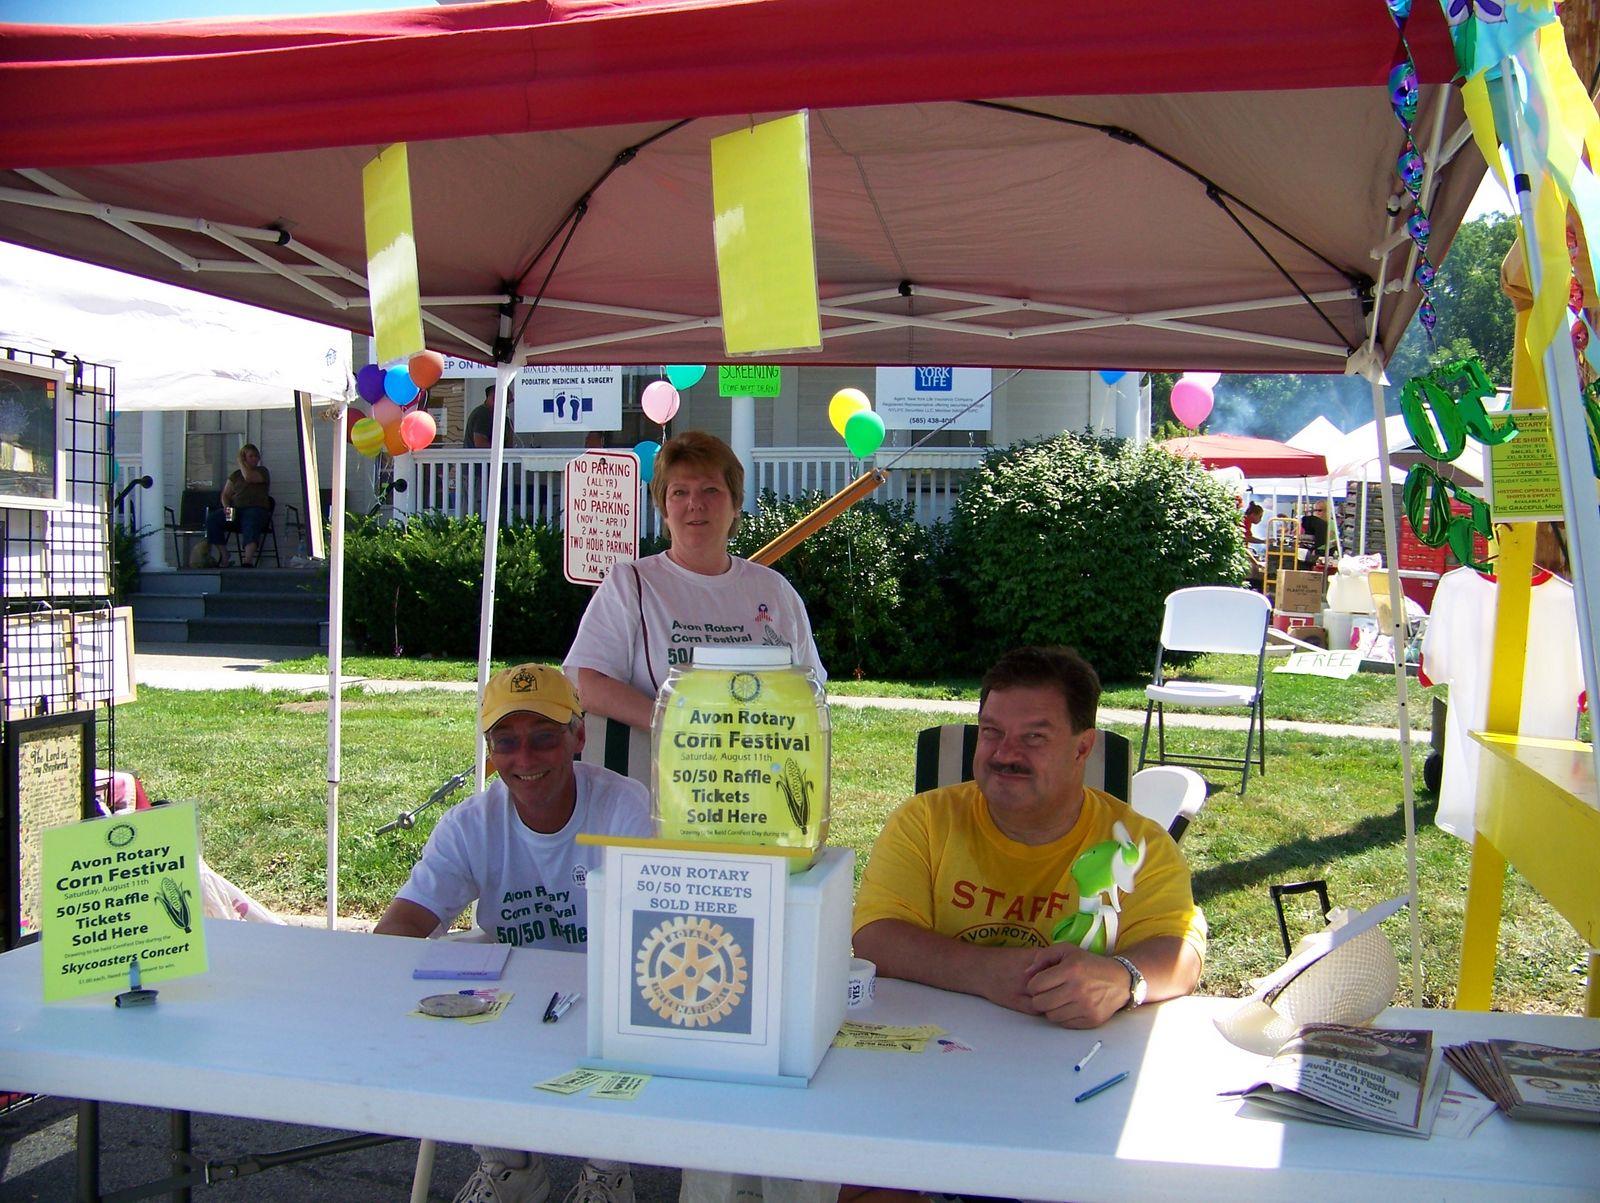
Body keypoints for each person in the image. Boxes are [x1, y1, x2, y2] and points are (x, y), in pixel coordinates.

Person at [375, 664, 652, 1203]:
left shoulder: (624, 805)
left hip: (607, 986)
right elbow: (405, 922)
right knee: (450, 1006)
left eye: (544, 738)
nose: (524, 759)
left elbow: (649, 934)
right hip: (511, 996)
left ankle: (607, 1173)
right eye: (506, 742)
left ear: (578, 737)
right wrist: (380, 973)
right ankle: (510, 1168)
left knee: (634, 1009)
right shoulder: (469, 823)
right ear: (489, 750)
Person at [853, 646, 1206, 1029]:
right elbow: (875, 936)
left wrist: (1124, 978)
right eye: (992, 732)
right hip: (938, 1040)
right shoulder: (925, 821)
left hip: (1081, 1052)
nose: (1005, 754)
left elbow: (1181, 956)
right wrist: (986, 972)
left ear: (1082, 747)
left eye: (1034, 737)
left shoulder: (1135, 845)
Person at [564, 430, 825, 729]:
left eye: (710, 490)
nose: (695, 503)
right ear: (664, 508)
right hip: (659, 758)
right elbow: (588, 684)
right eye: (679, 492)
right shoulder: (630, 584)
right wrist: (680, 726)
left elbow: (810, 692)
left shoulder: (775, 590)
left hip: (761, 756)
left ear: (735, 504)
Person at [204, 443, 270, 567]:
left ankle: (247, 560)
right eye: (251, 456)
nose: (255, 459)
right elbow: (225, 494)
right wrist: (227, 507)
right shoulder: (236, 475)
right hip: (236, 511)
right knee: (213, 519)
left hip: (256, 510)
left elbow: (248, 477)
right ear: (244, 458)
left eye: (256, 456)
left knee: (251, 520)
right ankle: (224, 555)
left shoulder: (262, 471)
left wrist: (240, 462)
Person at [465, 384, 513, 449]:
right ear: (494, 398)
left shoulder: (505, 420)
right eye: (507, 402)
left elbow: (509, 445)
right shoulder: (482, 414)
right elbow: (481, 444)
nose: (507, 407)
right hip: (481, 455)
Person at [1300, 502, 1331, 569]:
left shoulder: (1330, 524)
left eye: (1319, 510)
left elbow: (1329, 541)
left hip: (1324, 554)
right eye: (1315, 510)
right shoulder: (1311, 523)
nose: (1317, 512)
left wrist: (1316, 549)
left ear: (1326, 511)